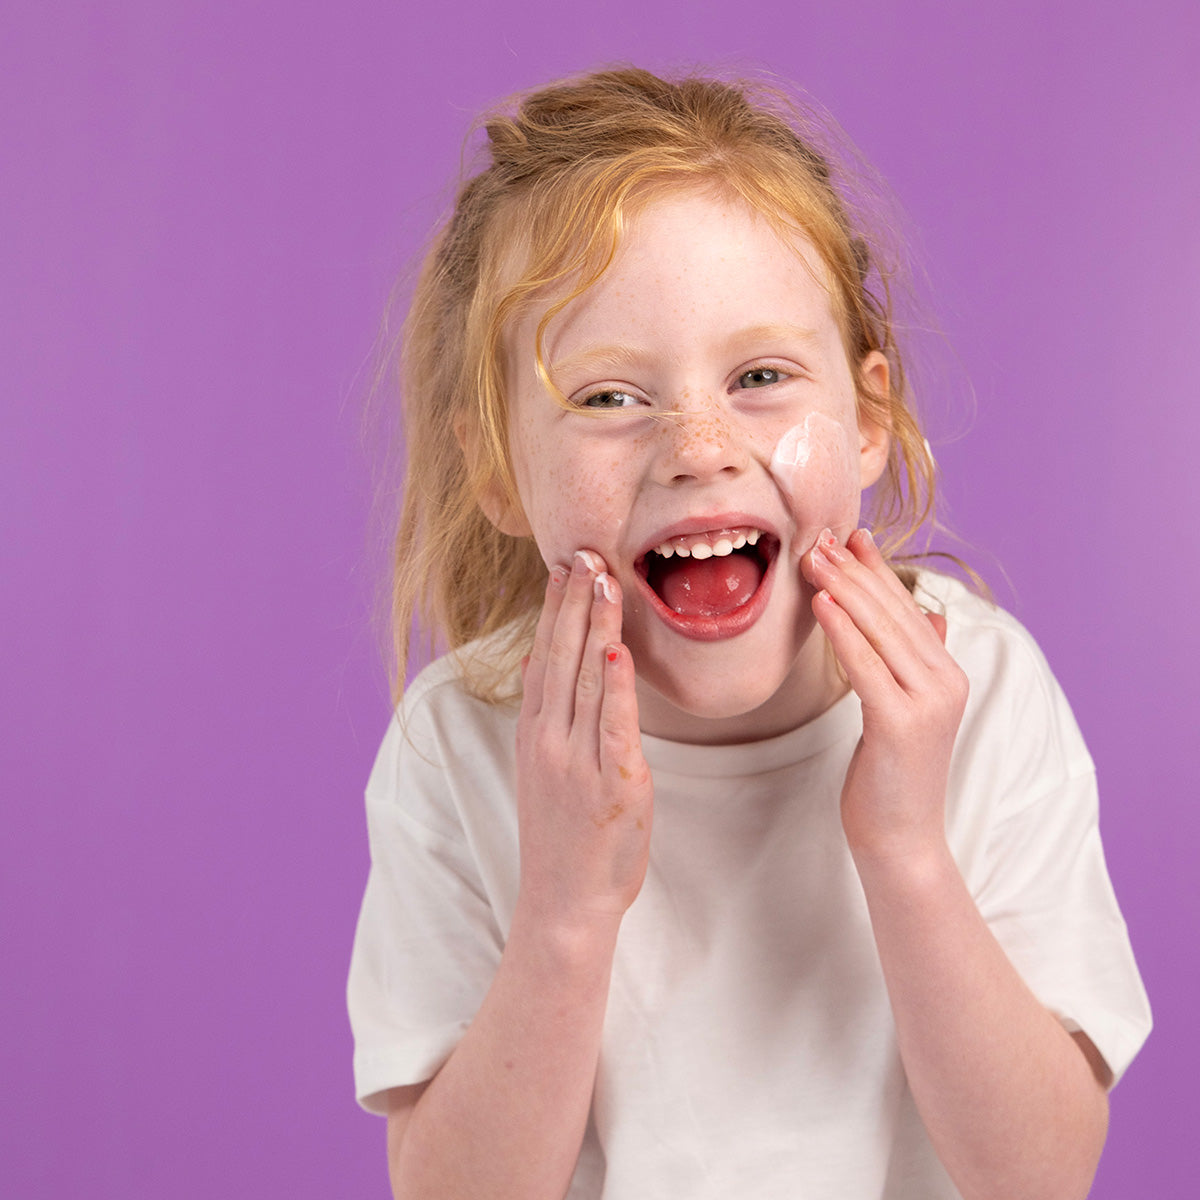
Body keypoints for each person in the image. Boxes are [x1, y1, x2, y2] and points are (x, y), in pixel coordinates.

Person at [347, 67, 1151, 1199]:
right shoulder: (463, 743)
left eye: (761, 376)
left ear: (869, 418)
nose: (698, 448)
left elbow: (1042, 1177)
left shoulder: (980, 693)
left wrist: (908, 850)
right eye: (607, 397)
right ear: (497, 470)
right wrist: (566, 909)